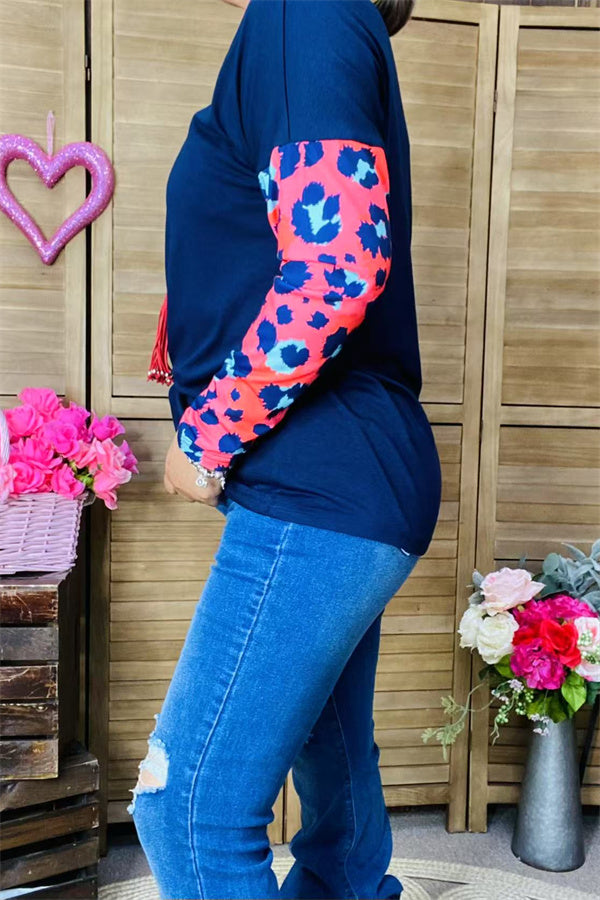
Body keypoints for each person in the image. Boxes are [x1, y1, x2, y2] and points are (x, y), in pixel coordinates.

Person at [128, 0, 442, 897]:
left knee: (188, 812)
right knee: (331, 762)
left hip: (323, 478)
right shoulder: (314, 20)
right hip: (350, 474)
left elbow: (339, 261)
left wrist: (207, 437)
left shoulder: (306, 11)